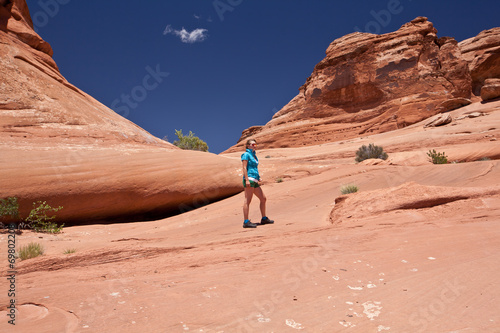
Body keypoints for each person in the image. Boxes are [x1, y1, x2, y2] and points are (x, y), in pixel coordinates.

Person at [241, 139, 274, 228]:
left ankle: (264, 218)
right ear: (248, 146)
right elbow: (244, 168)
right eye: (253, 144)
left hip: (255, 180)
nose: (255, 146)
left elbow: (255, 168)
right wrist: (247, 179)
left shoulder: (254, 155)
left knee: (263, 199)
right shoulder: (246, 154)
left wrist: (258, 177)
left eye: (255, 144)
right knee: (248, 200)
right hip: (249, 179)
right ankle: (246, 222)